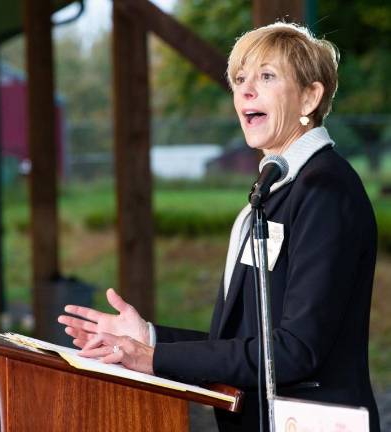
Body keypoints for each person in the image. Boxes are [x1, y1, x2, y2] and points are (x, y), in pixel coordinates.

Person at [58, 22, 381, 431]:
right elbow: (247, 340)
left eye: (266, 76)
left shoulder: (326, 191)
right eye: (240, 79)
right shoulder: (276, 187)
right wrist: (149, 339)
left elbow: (294, 351)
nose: (245, 91)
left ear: (310, 96)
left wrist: (153, 360)